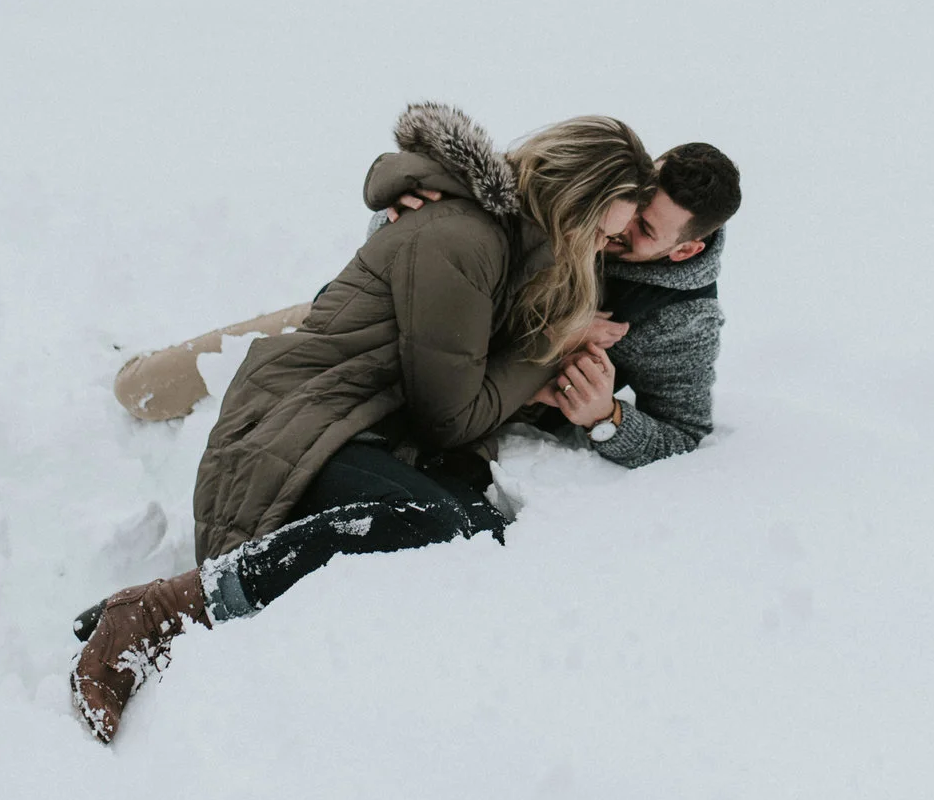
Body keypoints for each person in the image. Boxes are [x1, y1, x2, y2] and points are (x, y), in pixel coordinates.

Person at [69, 104, 659, 743]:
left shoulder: (509, 249)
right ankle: (163, 613)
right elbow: (449, 417)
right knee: (435, 530)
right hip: (297, 428)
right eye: (606, 233)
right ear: (572, 205)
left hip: (358, 430)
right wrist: (547, 349)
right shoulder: (466, 239)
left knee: (481, 540)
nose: (608, 251)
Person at [110, 142, 743, 467]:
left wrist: (607, 417)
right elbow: (432, 202)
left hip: (478, 397)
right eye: (633, 201)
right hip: (396, 320)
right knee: (144, 389)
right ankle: (134, 365)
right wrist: (408, 220)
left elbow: (684, 434)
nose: (621, 225)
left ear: (685, 251)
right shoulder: (594, 182)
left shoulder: (682, 319)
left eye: (642, 234)